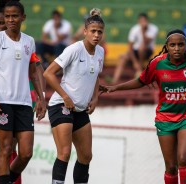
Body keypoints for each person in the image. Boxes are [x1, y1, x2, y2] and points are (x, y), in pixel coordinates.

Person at [100, 29, 186, 184]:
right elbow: (140, 81)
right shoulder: (157, 63)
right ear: (167, 46)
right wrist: (116, 87)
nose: (176, 48)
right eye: (172, 45)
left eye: (180, 44)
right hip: (165, 119)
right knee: (171, 167)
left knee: (183, 159)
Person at [0, 1, 46, 183]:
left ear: (23, 18)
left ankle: (7, 180)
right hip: (2, 101)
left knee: (26, 153)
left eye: (14, 16)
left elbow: (34, 71)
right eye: (7, 16)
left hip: (25, 103)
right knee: (6, 148)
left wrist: (41, 99)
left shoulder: (29, 41)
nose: (10, 20)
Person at [43, 8, 105, 184]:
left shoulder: (100, 52)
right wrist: (65, 96)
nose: (96, 35)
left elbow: (95, 76)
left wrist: (95, 98)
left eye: (100, 32)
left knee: (86, 156)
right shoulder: (74, 49)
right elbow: (48, 73)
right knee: (64, 152)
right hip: (61, 105)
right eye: (93, 31)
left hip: (80, 109)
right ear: (85, 31)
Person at [112, 13, 158, 84]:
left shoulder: (153, 28)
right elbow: (130, 46)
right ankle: (114, 80)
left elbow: (146, 42)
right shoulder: (134, 29)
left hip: (147, 51)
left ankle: (139, 68)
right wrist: (134, 62)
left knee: (141, 48)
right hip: (136, 51)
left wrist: (143, 31)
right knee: (123, 58)